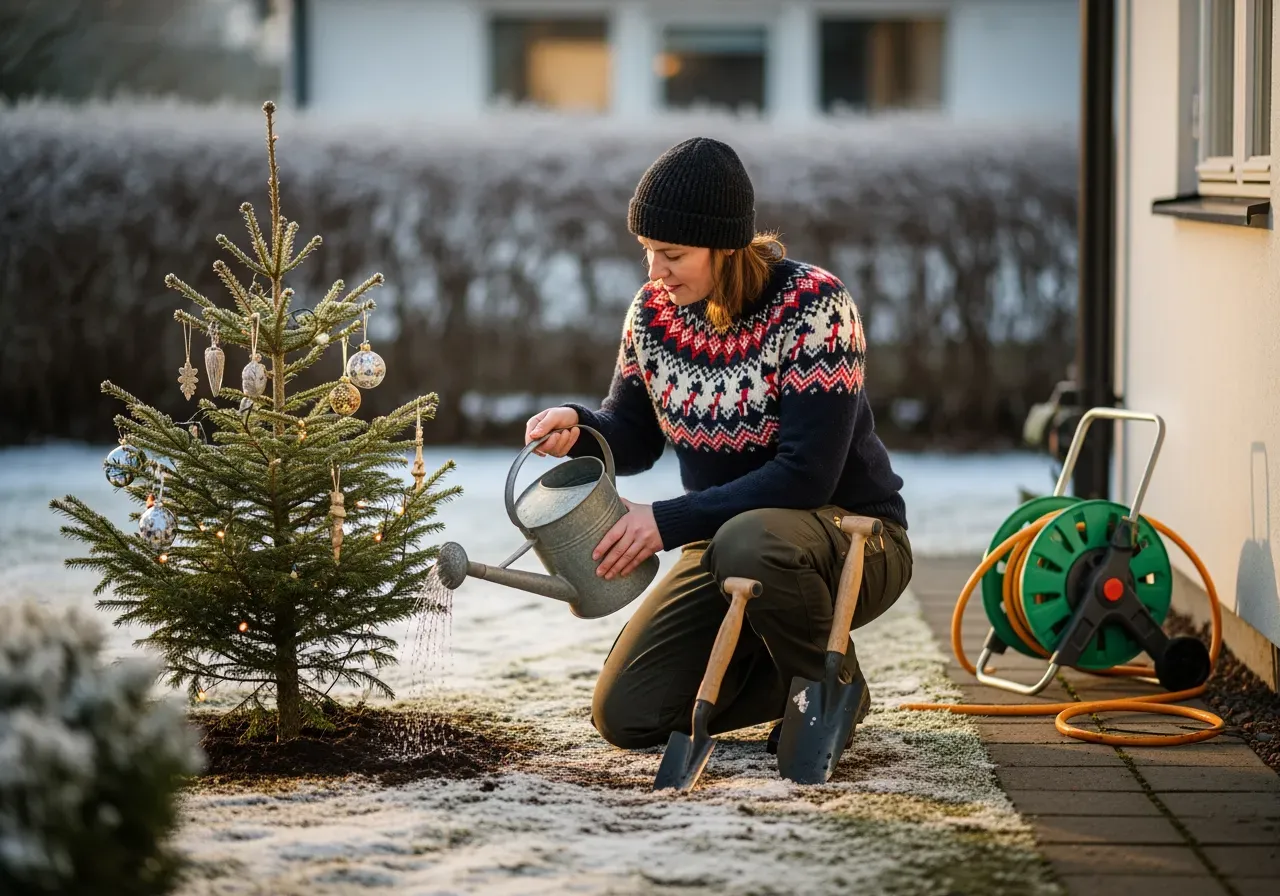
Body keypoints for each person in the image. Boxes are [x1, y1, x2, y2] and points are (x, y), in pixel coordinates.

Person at [523, 137, 912, 752]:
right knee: (628, 714)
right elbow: (632, 435)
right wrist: (578, 427)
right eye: (648, 251)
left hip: (853, 539)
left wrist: (666, 521)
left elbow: (805, 476)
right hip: (726, 541)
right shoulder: (653, 313)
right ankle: (801, 671)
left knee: (750, 538)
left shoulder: (814, 307)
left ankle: (826, 690)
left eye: (672, 254)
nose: (655, 272)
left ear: (725, 246)